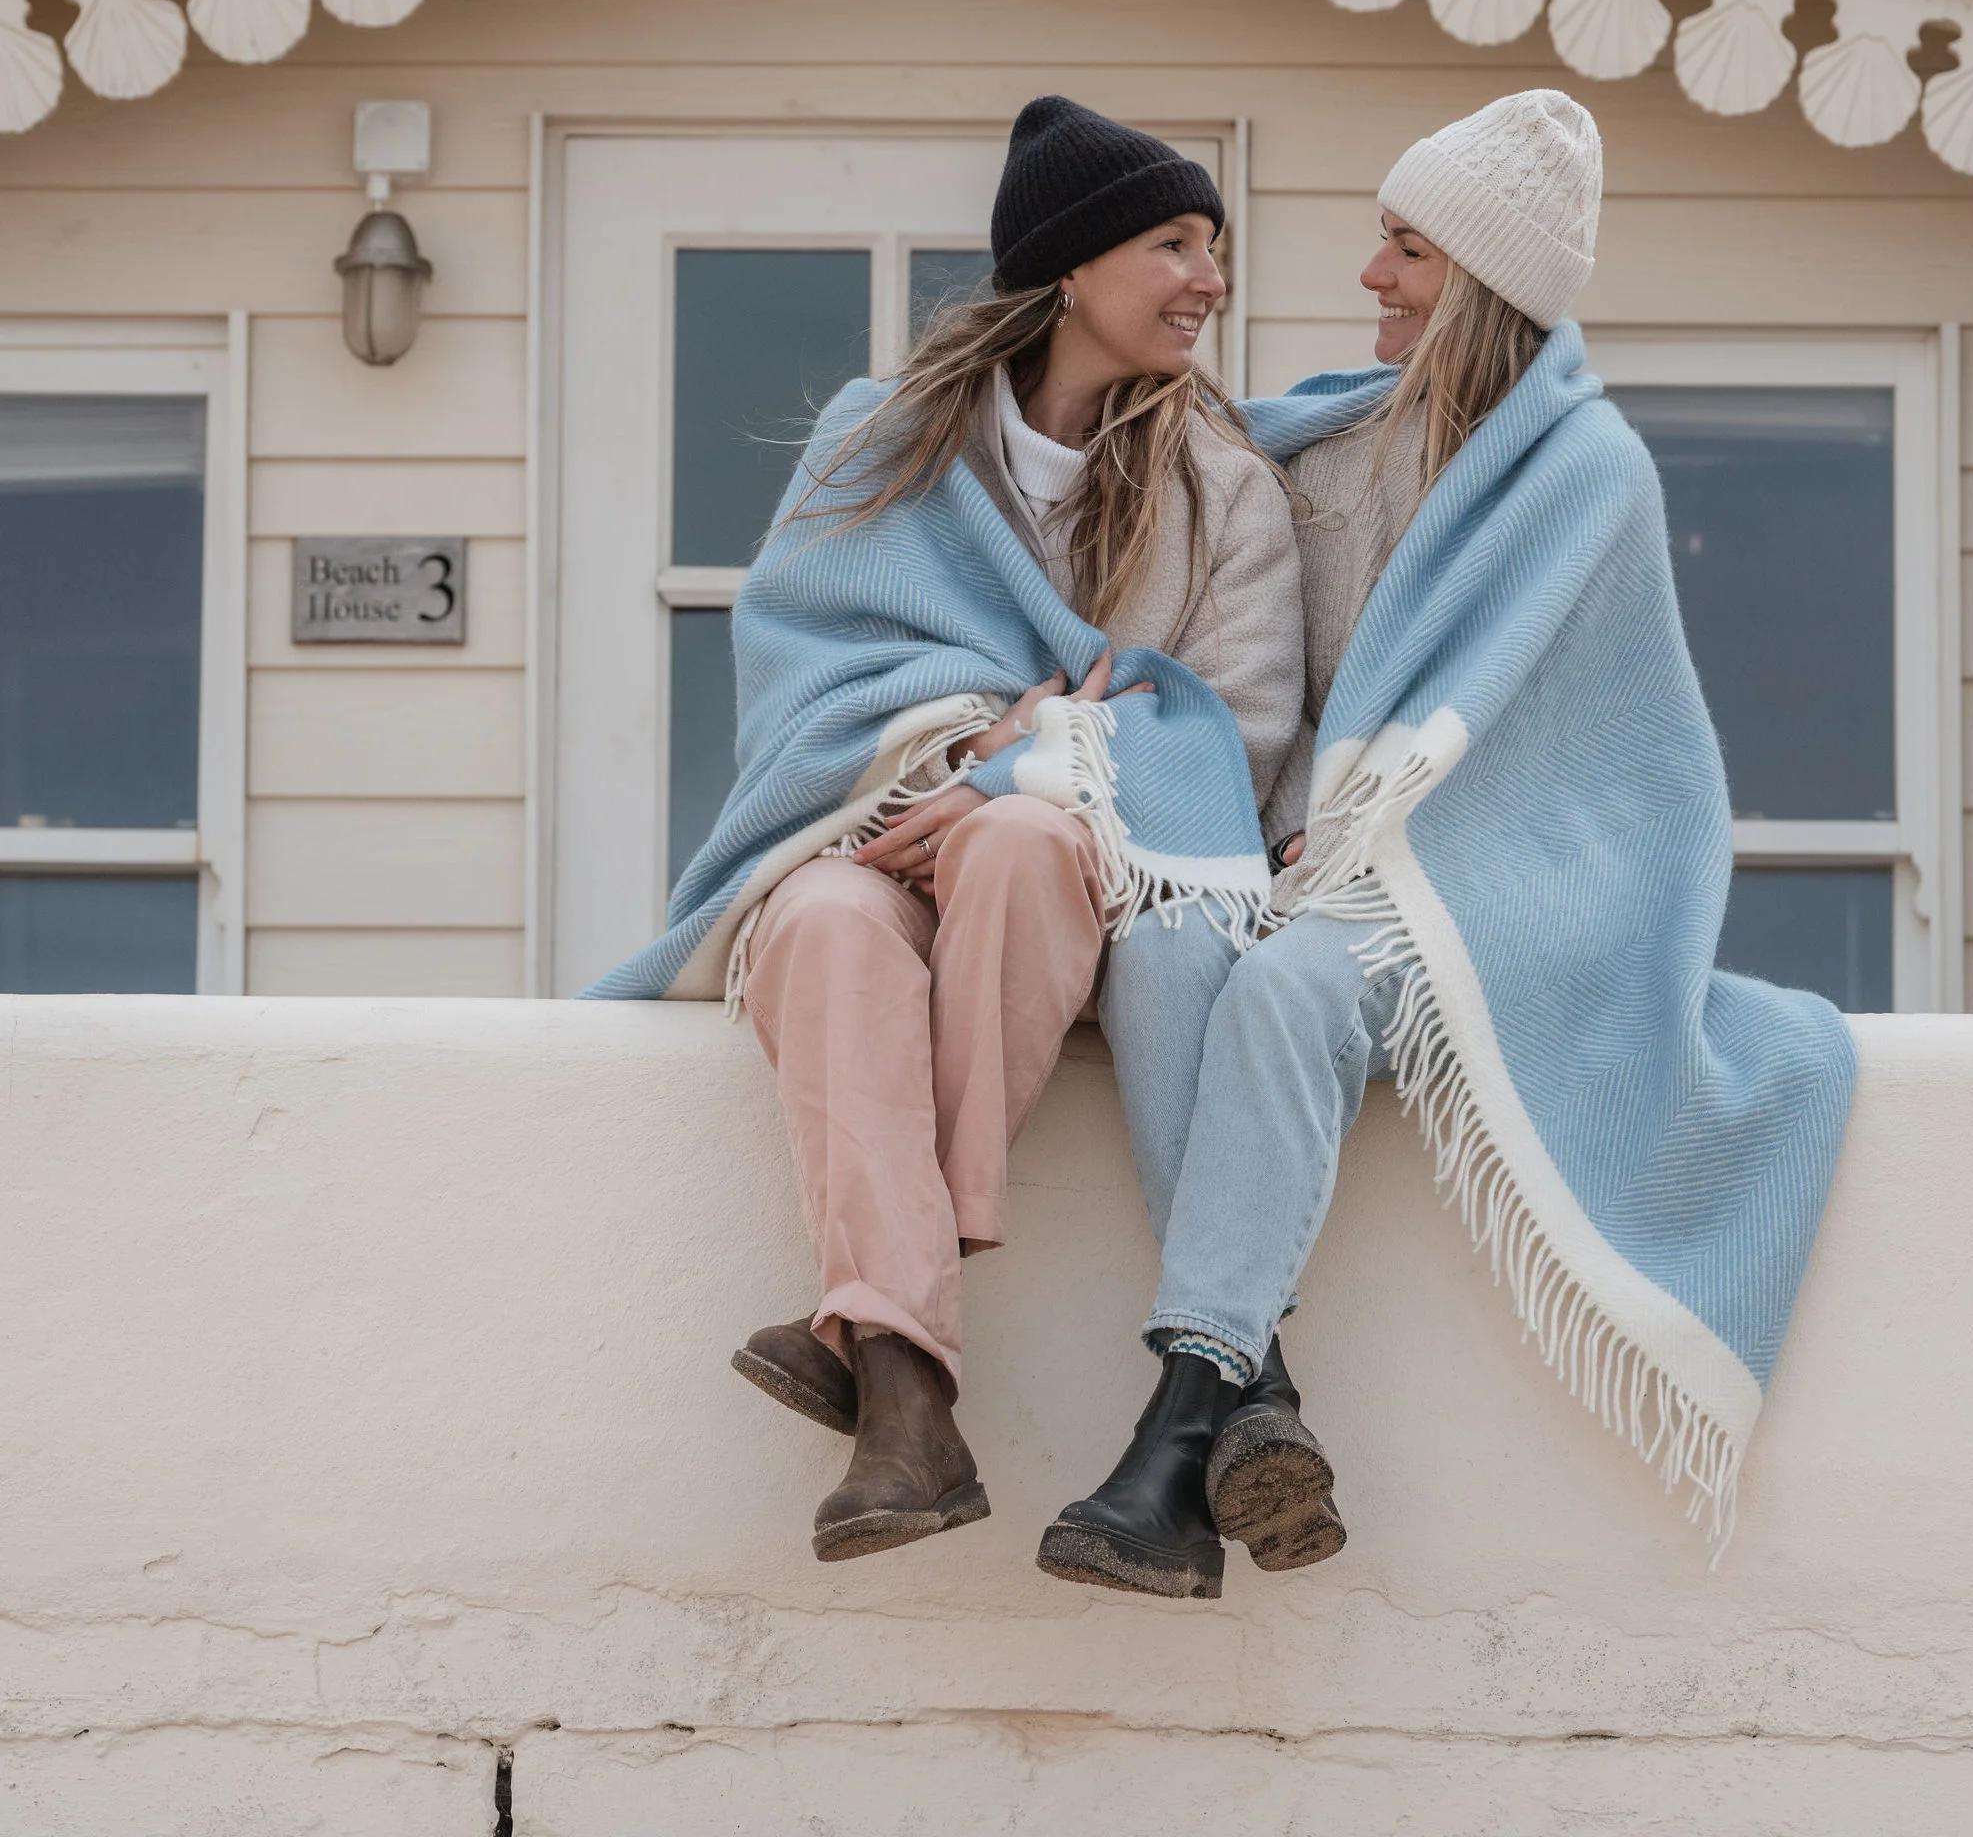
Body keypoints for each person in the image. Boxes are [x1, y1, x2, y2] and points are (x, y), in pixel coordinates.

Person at [1040, 89, 1856, 1600]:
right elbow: (1245, 676)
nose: (1373, 277)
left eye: (1407, 251)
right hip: (1305, 859)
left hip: (1502, 883)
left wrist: (1345, 856)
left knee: (1292, 989)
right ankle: (1248, 1404)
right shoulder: (1322, 444)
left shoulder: (1590, 478)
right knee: (1169, 952)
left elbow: (1578, 763)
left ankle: (1174, 1426)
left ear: (1479, 279)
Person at [587, 95, 1300, 1565]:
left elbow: (1236, 731)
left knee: (1028, 846)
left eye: (1214, 247)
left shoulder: (1218, 487)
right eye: (1174, 242)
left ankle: (876, 1334)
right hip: (868, 833)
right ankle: (911, 1397)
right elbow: (797, 662)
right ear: (1073, 263)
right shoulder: (889, 438)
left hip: (1058, 871)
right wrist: (944, 746)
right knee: (833, 929)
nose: (1208, 279)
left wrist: (1043, 756)